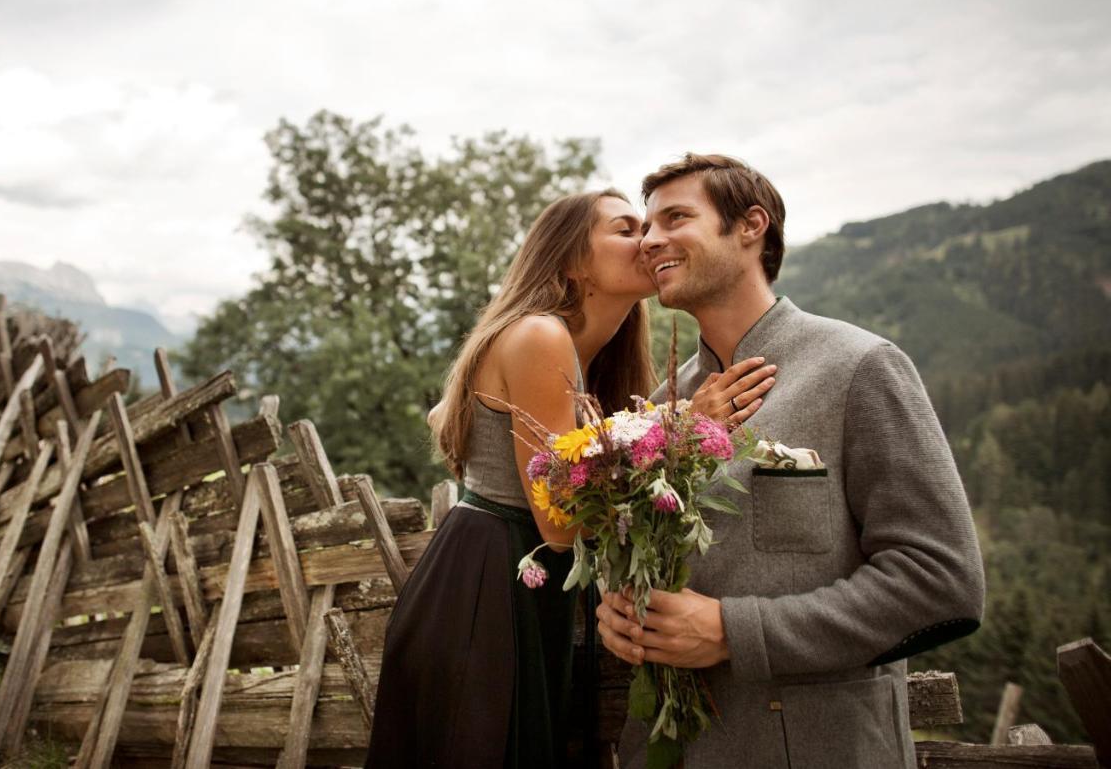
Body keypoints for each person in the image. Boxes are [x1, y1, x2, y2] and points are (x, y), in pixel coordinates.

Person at [596, 154, 987, 769]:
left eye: (676, 217)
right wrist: (621, 613)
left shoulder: (860, 367)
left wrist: (732, 631)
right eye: (645, 226)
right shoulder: (662, 409)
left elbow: (939, 581)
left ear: (751, 226)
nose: (651, 241)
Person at [364, 189, 777, 769]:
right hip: (488, 591)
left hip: (519, 587)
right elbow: (558, 526)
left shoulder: (594, 358)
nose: (650, 241)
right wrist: (682, 428)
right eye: (627, 229)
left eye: (656, 226)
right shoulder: (540, 335)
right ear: (571, 260)